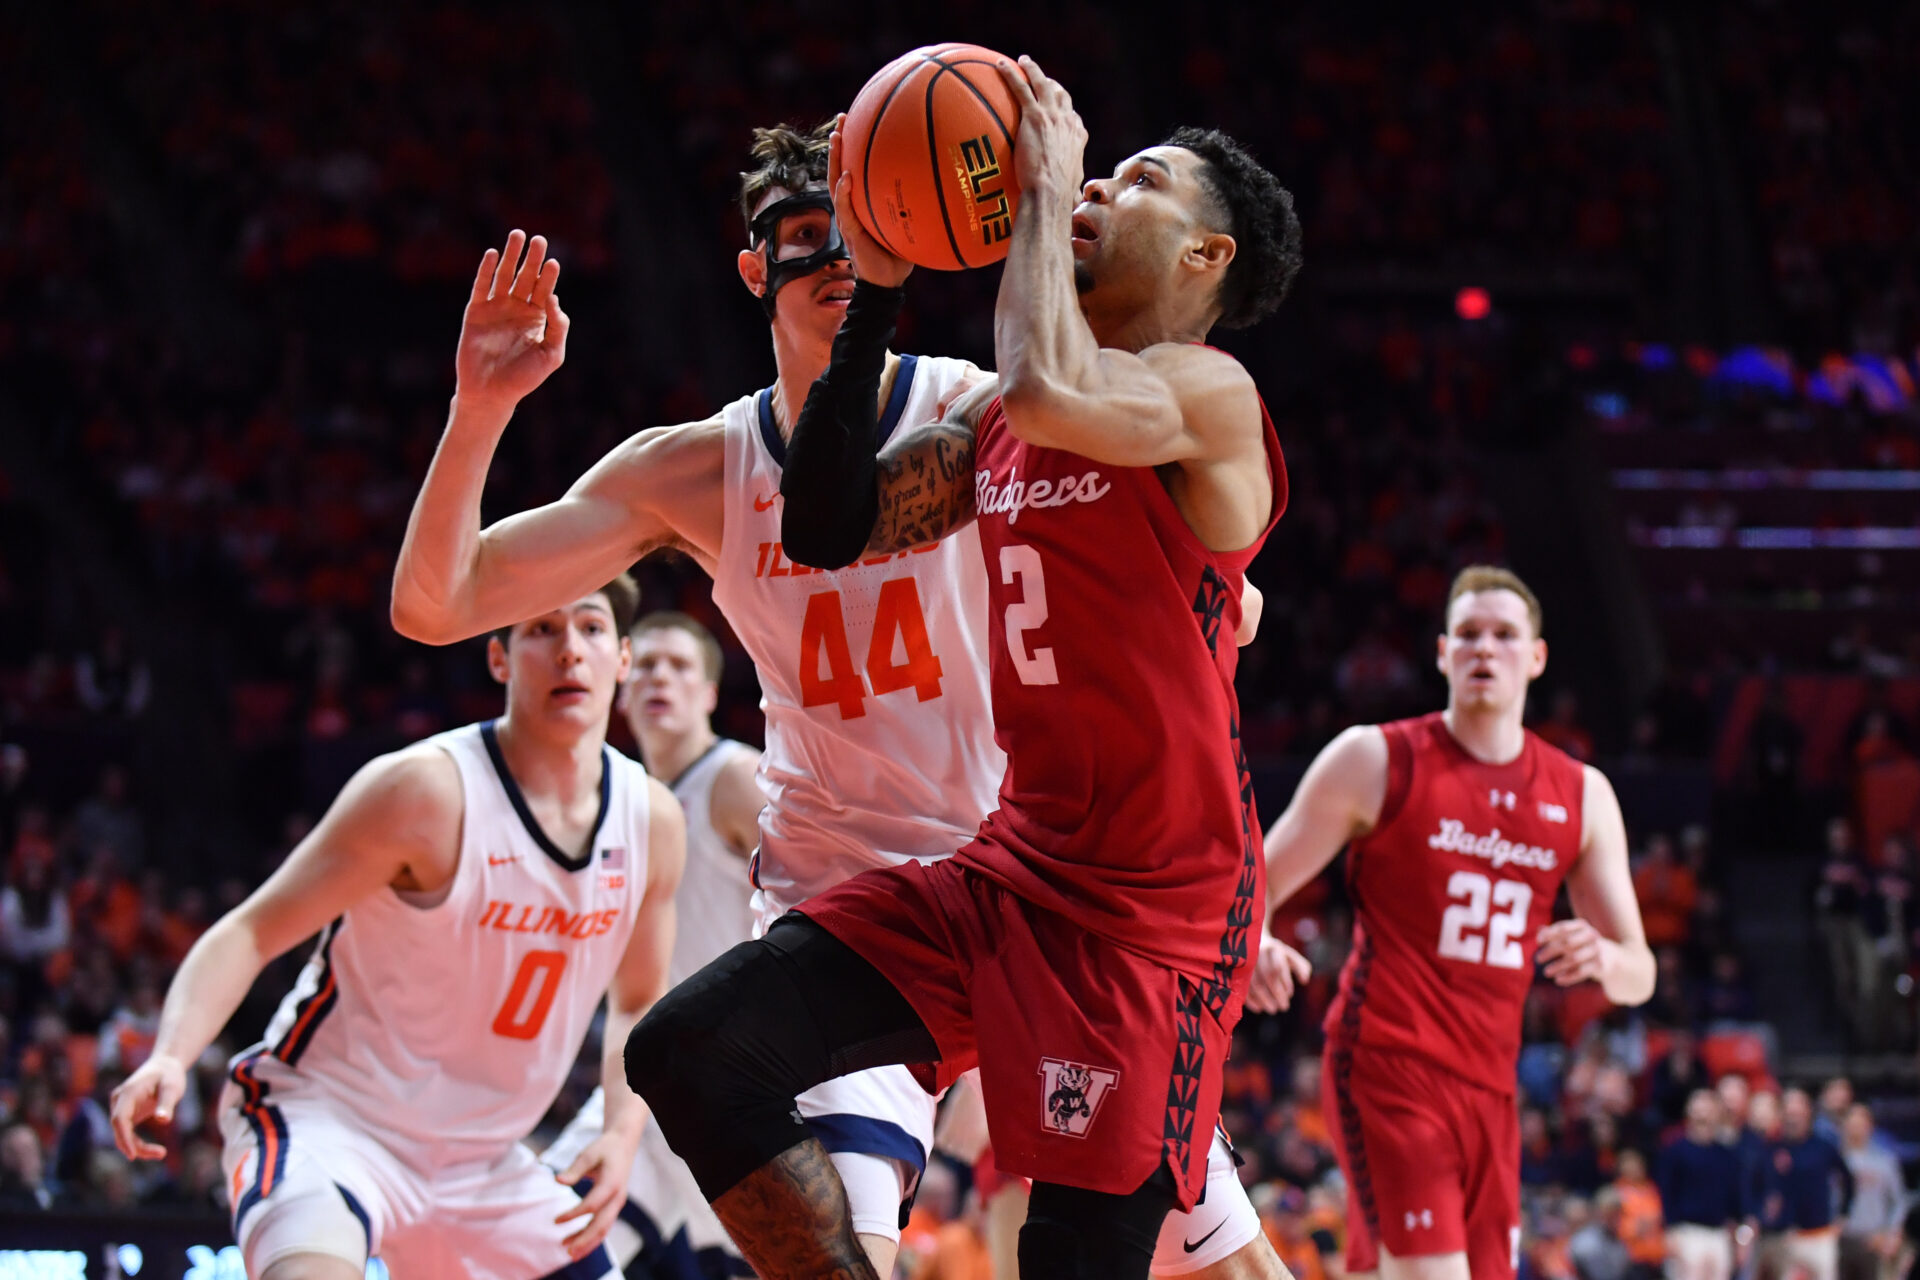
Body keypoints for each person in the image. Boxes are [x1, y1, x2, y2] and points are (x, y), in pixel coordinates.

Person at [389, 112, 1292, 1279]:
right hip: (886, 881)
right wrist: (480, 406)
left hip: (1108, 897)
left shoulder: (1028, 391)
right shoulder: (723, 463)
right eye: (806, 238)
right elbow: (445, 596)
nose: (830, 258)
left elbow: (1208, 579)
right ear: (755, 265)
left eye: (854, 233)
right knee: (707, 1064)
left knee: (1188, 1257)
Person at [108, 579, 685, 1280]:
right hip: (334, 1121)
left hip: (485, 1164)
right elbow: (253, 931)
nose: (569, 652)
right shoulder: (425, 792)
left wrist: (623, 1130)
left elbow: (639, 999)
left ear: (621, 658)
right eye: (541, 629)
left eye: (590, 629)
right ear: (498, 658)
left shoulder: (650, 820)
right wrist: (171, 1054)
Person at [1246, 565, 1656, 1280]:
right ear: (1441, 654)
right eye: (1467, 635)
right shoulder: (1374, 758)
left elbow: (1640, 972)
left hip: (1492, 1087)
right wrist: (1253, 943)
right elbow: (1254, 880)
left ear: (1536, 657)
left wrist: (1606, 959)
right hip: (1389, 1061)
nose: (1484, 650)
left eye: (1503, 636)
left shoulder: (1583, 795)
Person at [542, 611, 764, 1278]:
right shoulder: (617, 804)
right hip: (650, 1081)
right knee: (540, 1240)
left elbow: (825, 902)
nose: (660, 677)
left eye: (681, 667)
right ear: (619, 684)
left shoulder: (735, 778)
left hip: (744, 1087)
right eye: (647, 665)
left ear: (708, 695)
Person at [1754, 1089, 1852, 1280]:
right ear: (1781, 1115)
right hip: (1785, 1237)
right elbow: (1755, 1185)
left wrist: (1844, 1214)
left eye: (1798, 1113)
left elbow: (1848, 1180)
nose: (1793, 1119)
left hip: (1820, 1234)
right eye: (1789, 1113)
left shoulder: (1823, 1147)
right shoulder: (1771, 1148)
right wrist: (1761, 1212)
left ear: (1808, 1113)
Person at [1658, 1091, 1748, 1280]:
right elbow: (1666, 1192)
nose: (1703, 1115)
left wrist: (1740, 1236)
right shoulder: (1675, 1152)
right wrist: (1670, 1230)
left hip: (1718, 1234)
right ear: (1689, 1113)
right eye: (1698, 1110)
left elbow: (1735, 1199)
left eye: (1708, 1110)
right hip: (1687, 1232)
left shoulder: (1726, 1155)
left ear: (1717, 1114)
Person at [1837, 1104, 1908, 1280]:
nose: (1856, 1129)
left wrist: (1891, 1233)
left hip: (1873, 1239)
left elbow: (1899, 1201)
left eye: (1861, 1124)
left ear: (1870, 1127)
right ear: (1844, 1127)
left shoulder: (1885, 1161)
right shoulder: (1834, 1160)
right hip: (1839, 1239)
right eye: (1852, 1124)